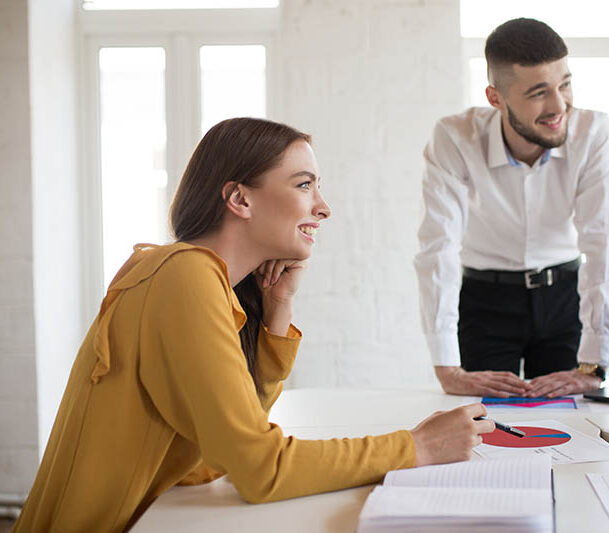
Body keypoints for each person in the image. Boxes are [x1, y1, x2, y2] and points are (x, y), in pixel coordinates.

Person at [13, 118, 494, 532]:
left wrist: (277, 308)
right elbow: (261, 469)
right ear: (239, 199)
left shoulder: (198, 278)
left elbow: (224, 449)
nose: (323, 207)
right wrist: (416, 447)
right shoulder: (184, 274)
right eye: (305, 185)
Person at [414, 18, 609, 400]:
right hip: (486, 301)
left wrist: (596, 364)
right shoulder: (455, 137)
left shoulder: (594, 133)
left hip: (564, 297)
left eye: (565, 84)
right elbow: (438, 248)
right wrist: (446, 366)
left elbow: (604, 244)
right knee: (487, 428)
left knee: (572, 427)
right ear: (496, 98)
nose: (559, 105)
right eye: (538, 92)